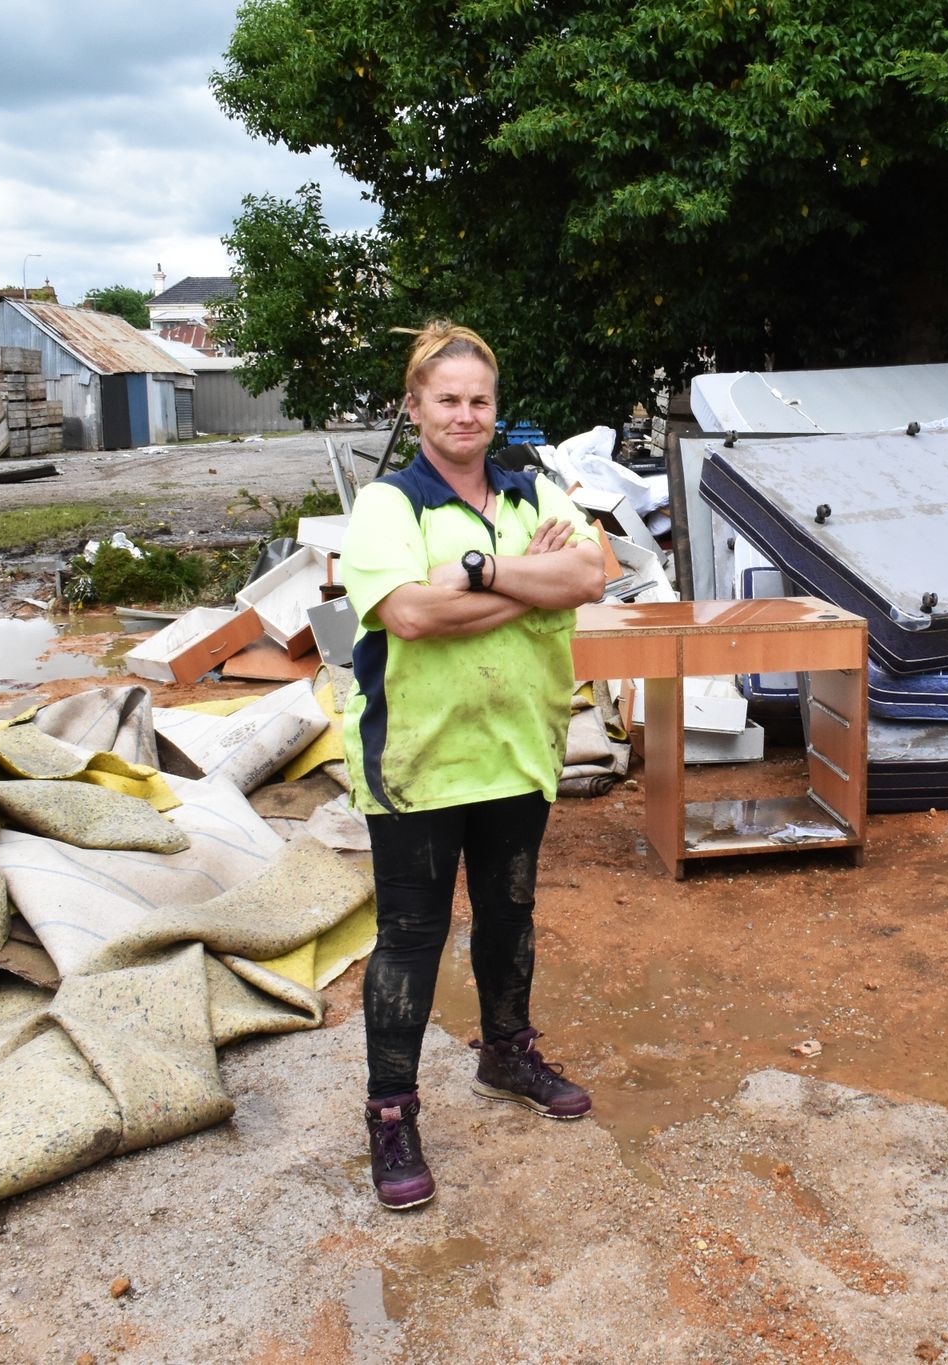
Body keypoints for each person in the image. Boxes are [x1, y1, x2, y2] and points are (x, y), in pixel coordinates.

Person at [337, 319, 606, 1210]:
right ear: (415, 408)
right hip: (418, 758)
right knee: (411, 938)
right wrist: (520, 586)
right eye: (446, 399)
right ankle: (390, 1113)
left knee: (509, 914)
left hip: (517, 746)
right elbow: (407, 616)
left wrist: (477, 576)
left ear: (497, 410)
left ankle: (504, 1051)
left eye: (479, 400)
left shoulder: (532, 492)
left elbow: (588, 578)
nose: (465, 414)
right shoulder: (388, 505)